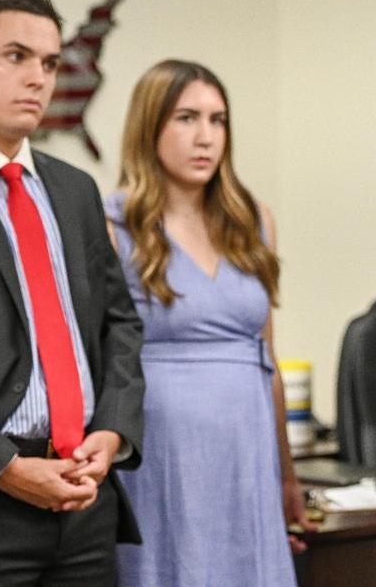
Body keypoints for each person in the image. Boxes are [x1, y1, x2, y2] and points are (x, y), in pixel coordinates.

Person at [0, 0, 145, 585]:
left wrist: (113, 429)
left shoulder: (75, 190)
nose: (39, 78)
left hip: (87, 501)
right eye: (16, 57)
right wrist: (3, 466)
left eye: (49, 63)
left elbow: (118, 323)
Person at [106, 59, 313, 586]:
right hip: (162, 452)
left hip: (248, 450)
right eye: (186, 118)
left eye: (218, 120)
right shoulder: (115, 223)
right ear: (149, 125)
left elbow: (268, 360)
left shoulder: (251, 218)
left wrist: (287, 475)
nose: (206, 137)